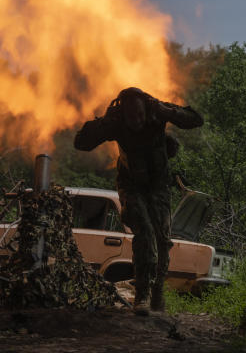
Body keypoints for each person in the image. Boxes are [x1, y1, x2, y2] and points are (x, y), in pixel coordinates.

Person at [73, 87, 204, 315]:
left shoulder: (156, 111)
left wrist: (167, 111)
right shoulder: (116, 122)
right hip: (131, 185)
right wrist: (104, 121)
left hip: (158, 185)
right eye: (132, 117)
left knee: (163, 241)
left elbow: (195, 119)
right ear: (124, 114)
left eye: (140, 115)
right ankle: (142, 296)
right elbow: (81, 143)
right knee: (144, 234)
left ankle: (157, 291)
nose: (137, 121)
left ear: (146, 110)